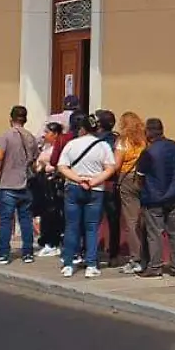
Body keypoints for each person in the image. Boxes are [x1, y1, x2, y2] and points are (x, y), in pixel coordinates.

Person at [57, 116, 116, 278]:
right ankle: (91, 264)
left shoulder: (72, 144)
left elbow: (62, 166)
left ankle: (68, 263)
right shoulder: (103, 146)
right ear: (96, 129)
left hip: (74, 187)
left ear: (81, 129)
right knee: (91, 228)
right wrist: (94, 181)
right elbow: (110, 168)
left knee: (71, 227)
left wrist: (78, 179)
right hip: (95, 189)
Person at [0, 105, 41, 265]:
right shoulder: (31, 137)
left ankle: (3, 254)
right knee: (26, 220)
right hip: (26, 184)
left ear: (11, 118)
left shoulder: (6, 136)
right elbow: (35, 162)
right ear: (25, 119)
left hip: (8, 184)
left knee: (6, 221)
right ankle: (28, 253)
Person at [138, 118, 175, 277]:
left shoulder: (148, 152)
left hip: (154, 198)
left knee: (155, 233)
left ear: (148, 133)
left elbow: (140, 176)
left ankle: (155, 266)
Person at [115, 112, 149, 275]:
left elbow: (116, 164)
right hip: (144, 179)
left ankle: (135, 258)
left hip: (127, 179)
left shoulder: (123, 141)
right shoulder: (145, 139)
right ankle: (147, 256)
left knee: (131, 220)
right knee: (144, 219)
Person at [32, 120, 69, 258]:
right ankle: (47, 241)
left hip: (52, 186)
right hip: (43, 185)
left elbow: (59, 165)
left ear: (55, 134)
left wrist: (45, 166)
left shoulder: (59, 149)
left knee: (52, 215)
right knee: (45, 214)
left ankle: (53, 243)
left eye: (47, 132)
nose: (44, 135)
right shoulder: (46, 148)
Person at [94, 109, 121, 266]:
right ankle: (114, 253)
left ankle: (89, 252)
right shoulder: (117, 139)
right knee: (113, 220)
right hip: (112, 183)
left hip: (98, 182)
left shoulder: (95, 141)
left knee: (92, 220)